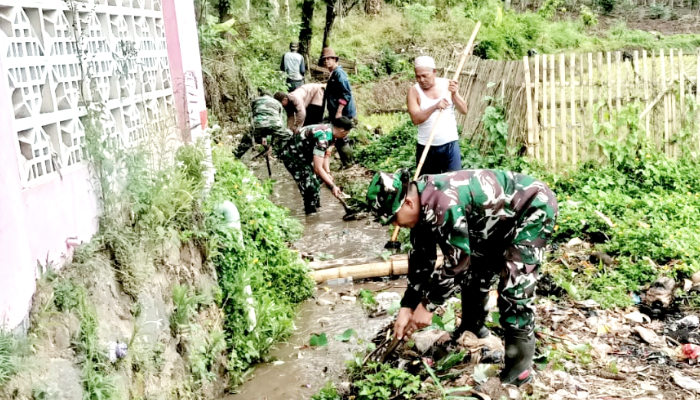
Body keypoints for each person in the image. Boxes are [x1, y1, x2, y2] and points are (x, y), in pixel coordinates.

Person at [366, 169, 558, 386]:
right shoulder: (421, 205)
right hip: (492, 220)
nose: (396, 226)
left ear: (408, 203)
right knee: (476, 271)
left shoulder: (442, 204)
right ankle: (473, 327)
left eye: (394, 219)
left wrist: (428, 305)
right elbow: (422, 258)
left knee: (514, 289)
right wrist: (408, 305)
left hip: (531, 207)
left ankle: (519, 370)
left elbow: (457, 264)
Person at [407, 56, 468, 175]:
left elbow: (464, 110)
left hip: (450, 145)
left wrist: (454, 94)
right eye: (418, 76)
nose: (421, 79)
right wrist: (435, 106)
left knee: (454, 183)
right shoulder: (414, 92)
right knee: (427, 186)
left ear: (434, 72)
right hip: (426, 147)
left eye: (425, 75)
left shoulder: (448, 85)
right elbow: (416, 119)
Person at [280, 117, 354, 215]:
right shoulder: (323, 137)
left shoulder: (331, 132)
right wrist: (332, 186)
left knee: (318, 181)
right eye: (347, 133)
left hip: (305, 154)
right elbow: (318, 168)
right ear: (343, 131)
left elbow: (326, 155)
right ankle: (311, 215)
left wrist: (328, 173)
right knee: (309, 186)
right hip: (293, 157)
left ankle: (316, 207)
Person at [320, 47, 356, 168]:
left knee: (342, 137)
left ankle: (348, 163)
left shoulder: (339, 73)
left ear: (335, 60)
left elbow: (346, 93)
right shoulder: (333, 73)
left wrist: (339, 111)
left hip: (342, 112)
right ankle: (347, 162)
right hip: (337, 111)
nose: (327, 61)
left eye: (330, 59)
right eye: (325, 59)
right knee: (341, 137)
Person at [234, 91, 290, 159]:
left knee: (249, 138)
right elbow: (280, 120)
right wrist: (273, 142)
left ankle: (236, 156)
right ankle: (278, 154)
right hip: (275, 125)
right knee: (288, 135)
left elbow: (251, 116)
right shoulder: (277, 103)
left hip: (258, 125)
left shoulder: (255, 101)